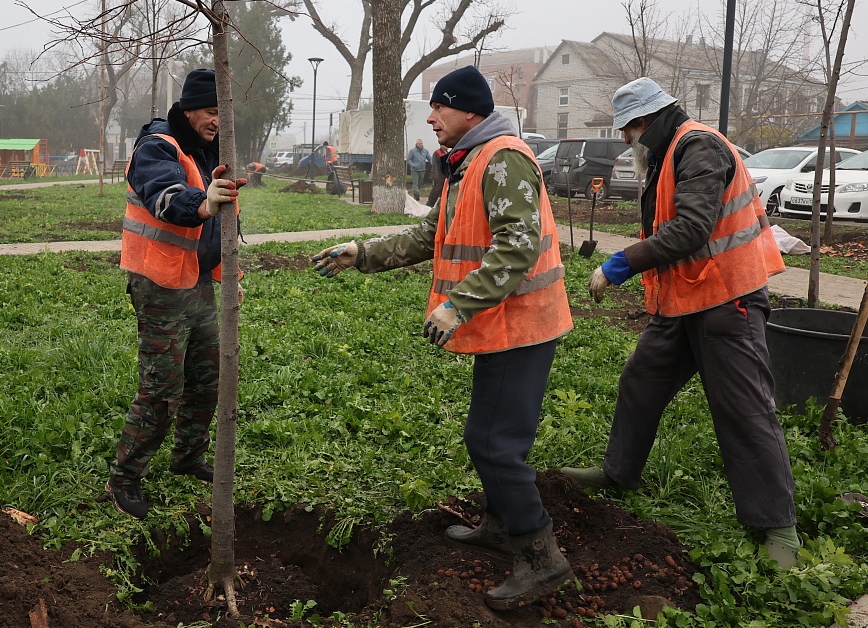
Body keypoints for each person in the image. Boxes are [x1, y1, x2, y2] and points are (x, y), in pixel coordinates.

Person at [311, 66, 574, 610]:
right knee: (491, 435)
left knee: (494, 442)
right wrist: (363, 253)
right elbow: (434, 233)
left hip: (521, 326)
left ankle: (542, 556)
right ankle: (501, 524)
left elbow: (517, 248)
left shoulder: (502, 159)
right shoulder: (470, 163)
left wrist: (458, 305)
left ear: (470, 111)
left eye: (440, 107)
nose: (430, 118)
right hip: (502, 323)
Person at [562, 77, 801, 568]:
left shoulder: (698, 147)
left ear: (645, 122)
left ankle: (779, 527)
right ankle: (619, 473)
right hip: (684, 301)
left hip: (727, 299)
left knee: (743, 407)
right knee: (641, 380)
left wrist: (619, 264)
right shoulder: (667, 151)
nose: (627, 142)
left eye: (629, 132)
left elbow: (692, 228)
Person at [107, 68, 245, 520]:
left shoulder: (210, 152)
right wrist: (203, 202)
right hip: (159, 285)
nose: (216, 123)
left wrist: (231, 279)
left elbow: (223, 225)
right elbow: (165, 198)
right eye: (210, 113)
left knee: (207, 378)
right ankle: (124, 477)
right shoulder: (158, 147)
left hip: (197, 283)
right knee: (162, 389)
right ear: (188, 110)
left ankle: (187, 458)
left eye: (221, 115)